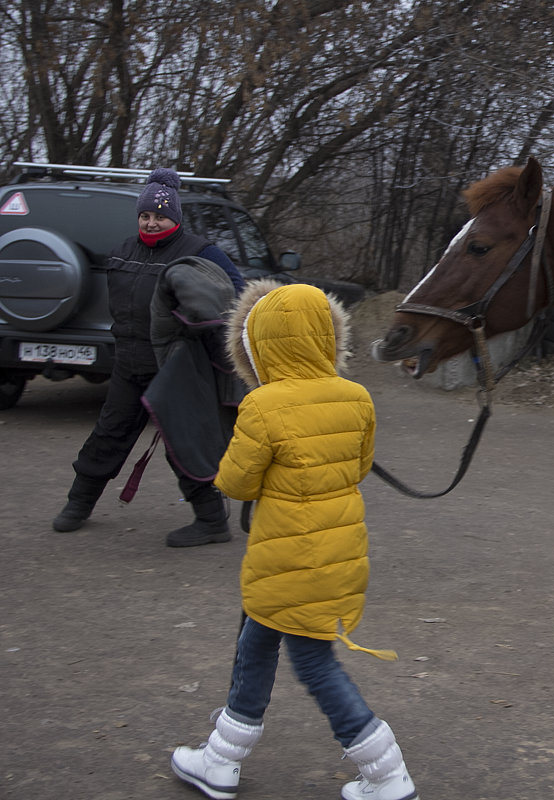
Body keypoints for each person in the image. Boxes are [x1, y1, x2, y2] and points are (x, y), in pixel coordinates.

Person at [170, 281, 419, 800]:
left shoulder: (263, 405)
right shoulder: (357, 397)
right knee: (255, 646)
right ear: (328, 337)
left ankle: (387, 773)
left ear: (259, 344)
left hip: (287, 556)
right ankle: (221, 757)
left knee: (312, 662)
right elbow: (360, 465)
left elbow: (235, 483)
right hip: (338, 553)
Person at [51, 167, 246, 546]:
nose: (152, 223)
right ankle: (78, 504)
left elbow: (234, 298)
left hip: (176, 365)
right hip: (129, 361)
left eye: (160, 216)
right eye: (146, 215)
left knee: (182, 441)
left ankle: (211, 521)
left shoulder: (200, 252)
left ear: (174, 217)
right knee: (108, 434)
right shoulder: (123, 251)